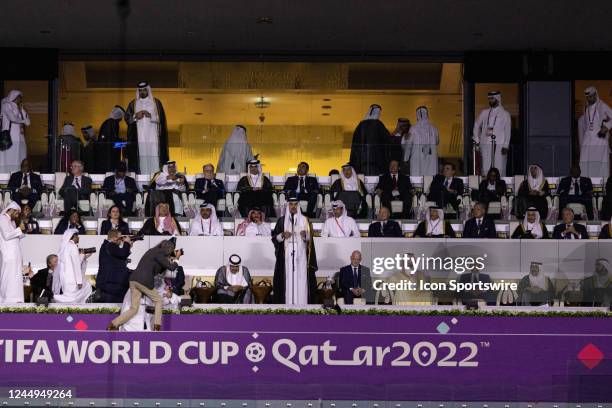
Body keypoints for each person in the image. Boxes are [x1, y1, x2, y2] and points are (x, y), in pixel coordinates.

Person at [108, 239, 182, 331]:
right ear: (169, 249)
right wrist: (177, 258)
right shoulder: (159, 254)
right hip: (143, 281)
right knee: (158, 300)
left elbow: (159, 269)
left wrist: (171, 259)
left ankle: (113, 325)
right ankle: (157, 328)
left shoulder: (152, 251)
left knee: (134, 308)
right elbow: (171, 268)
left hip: (133, 280)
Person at [272, 196, 318, 305]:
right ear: (288, 206)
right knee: (287, 280)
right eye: (291, 204)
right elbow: (275, 238)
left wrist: (305, 235)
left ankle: (302, 304)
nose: (293, 207)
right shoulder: (282, 220)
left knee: (301, 280)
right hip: (286, 256)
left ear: (298, 206)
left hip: (301, 256)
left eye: (295, 204)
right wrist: (282, 235)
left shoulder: (305, 220)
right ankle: (288, 305)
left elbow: (310, 240)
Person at [125, 82, 169, 174]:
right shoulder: (133, 104)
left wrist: (151, 115)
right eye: (140, 90)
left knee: (154, 156)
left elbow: (162, 118)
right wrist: (135, 116)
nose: (142, 92)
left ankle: (155, 181)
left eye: (144, 90)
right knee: (141, 157)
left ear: (148, 90)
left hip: (153, 137)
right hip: (139, 138)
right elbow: (127, 118)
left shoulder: (156, 103)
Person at [473, 91, 512, 177]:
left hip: (500, 144)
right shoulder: (484, 112)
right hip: (485, 143)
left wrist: (506, 145)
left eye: (492, 99)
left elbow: (508, 130)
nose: (490, 101)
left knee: (499, 166)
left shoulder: (505, 114)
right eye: (489, 99)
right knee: (485, 166)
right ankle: (485, 185)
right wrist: (477, 139)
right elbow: (476, 124)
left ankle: (501, 185)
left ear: (498, 99)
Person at [578, 87, 612, 178]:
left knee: (600, 167)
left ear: (595, 95)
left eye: (591, 97)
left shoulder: (602, 105)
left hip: (599, 141)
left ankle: (601, 189)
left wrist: (606, 127)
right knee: (585, 166)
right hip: (587, 142)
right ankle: (587, 187)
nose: (589, 99)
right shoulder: (585, 107)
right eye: (587, 97)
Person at [52, 229, 93, 303]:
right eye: (77, 236)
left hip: (64, 278)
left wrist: (83, 256)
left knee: (70, 295)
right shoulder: (73, 246)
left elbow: (70, 262)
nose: (79, 238)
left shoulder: (64, 247)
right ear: (73, 237)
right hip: (72, 277)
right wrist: (79, 281)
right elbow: (76, 264)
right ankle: (54, 297)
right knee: (83, 290)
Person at [349, 104, 390, 176]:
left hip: (362, 163)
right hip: (376, 163)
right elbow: (388, 140)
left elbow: (355, 146)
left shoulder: (360, 126)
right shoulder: (378, 124)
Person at [95, 230, 133, 303]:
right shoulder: (110, 245)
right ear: (115, 238)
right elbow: (122, 254)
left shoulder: (107, 246)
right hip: (110, 285)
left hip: (109, 285)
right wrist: (127, 243)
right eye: (121, 238)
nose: (122, 240)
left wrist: (128, 246)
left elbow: (120, 256)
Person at [0, 202, 26, 302]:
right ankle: (6, 299)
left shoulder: (12, 222)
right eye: (17, 212)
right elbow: (7, 235)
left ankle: (16, 299)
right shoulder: (2, 219)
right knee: (8, 276)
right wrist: (19, 229)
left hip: (15, 254)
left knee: (15, 277)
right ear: (11, 209)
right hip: (8, 255)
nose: (18, 214)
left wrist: (21, 231)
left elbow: (15, 236)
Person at [404, 106, 439, 176]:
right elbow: (437, 141)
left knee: (417, 179)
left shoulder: (413, 129)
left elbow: (408, 144)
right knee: (430, 179)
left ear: (417, 116)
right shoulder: (434, 129)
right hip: (430, 158)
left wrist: (406, 158)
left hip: (417, 158)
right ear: (427, 114)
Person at [0, 90, 30, 173]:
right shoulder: (6, 105)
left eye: (20, 98)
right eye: (18, 97)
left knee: (20, 157)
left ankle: (18, 175)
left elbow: (28, 122)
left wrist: (21, 110)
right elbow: (12, 118)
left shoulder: (20, 108)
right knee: (10, 157)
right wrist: (22, 121)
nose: (19, 100)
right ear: (14, 97)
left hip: (20, 137)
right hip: (10, 137)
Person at [96, 105, 124, 173]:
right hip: (109, 157)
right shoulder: (113, 123)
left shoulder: (107, 122)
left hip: (105, 156)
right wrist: (123, 143)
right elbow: (113, 141)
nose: (122, 119)